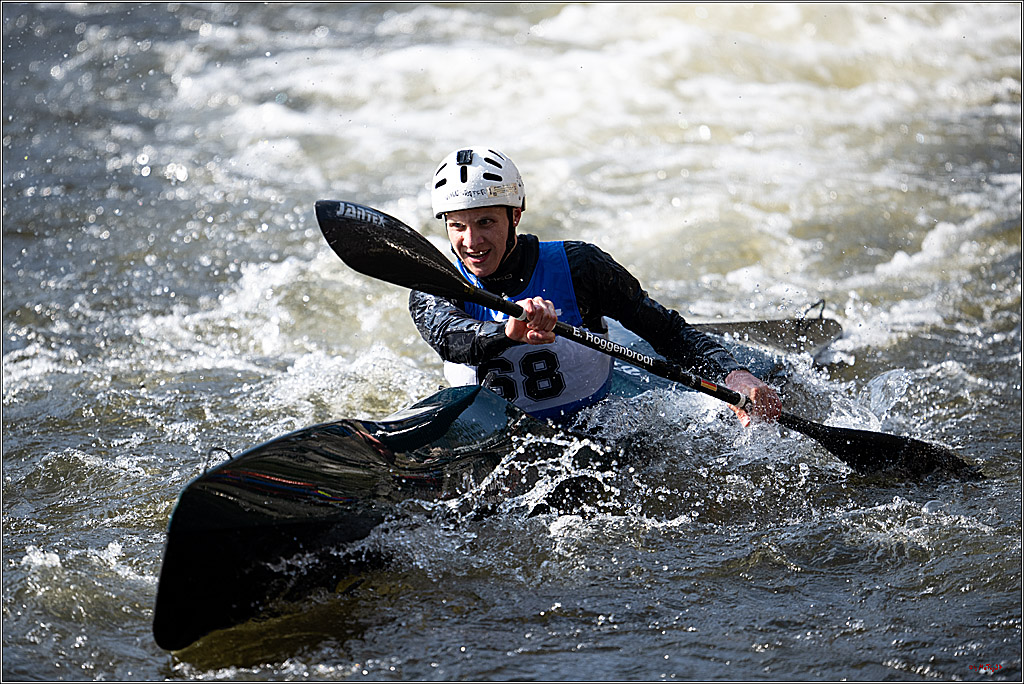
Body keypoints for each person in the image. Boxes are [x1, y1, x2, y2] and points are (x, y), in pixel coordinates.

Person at [409, 147, 781, 426]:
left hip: (596, 423)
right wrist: (508, 332)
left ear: (515, 215)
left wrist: (733, 374)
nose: (472, 241)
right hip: (497, 437)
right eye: (457, 226)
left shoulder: (580, 266)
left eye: (486, 222)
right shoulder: (433, 283)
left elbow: (667, 332)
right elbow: (450, 338)